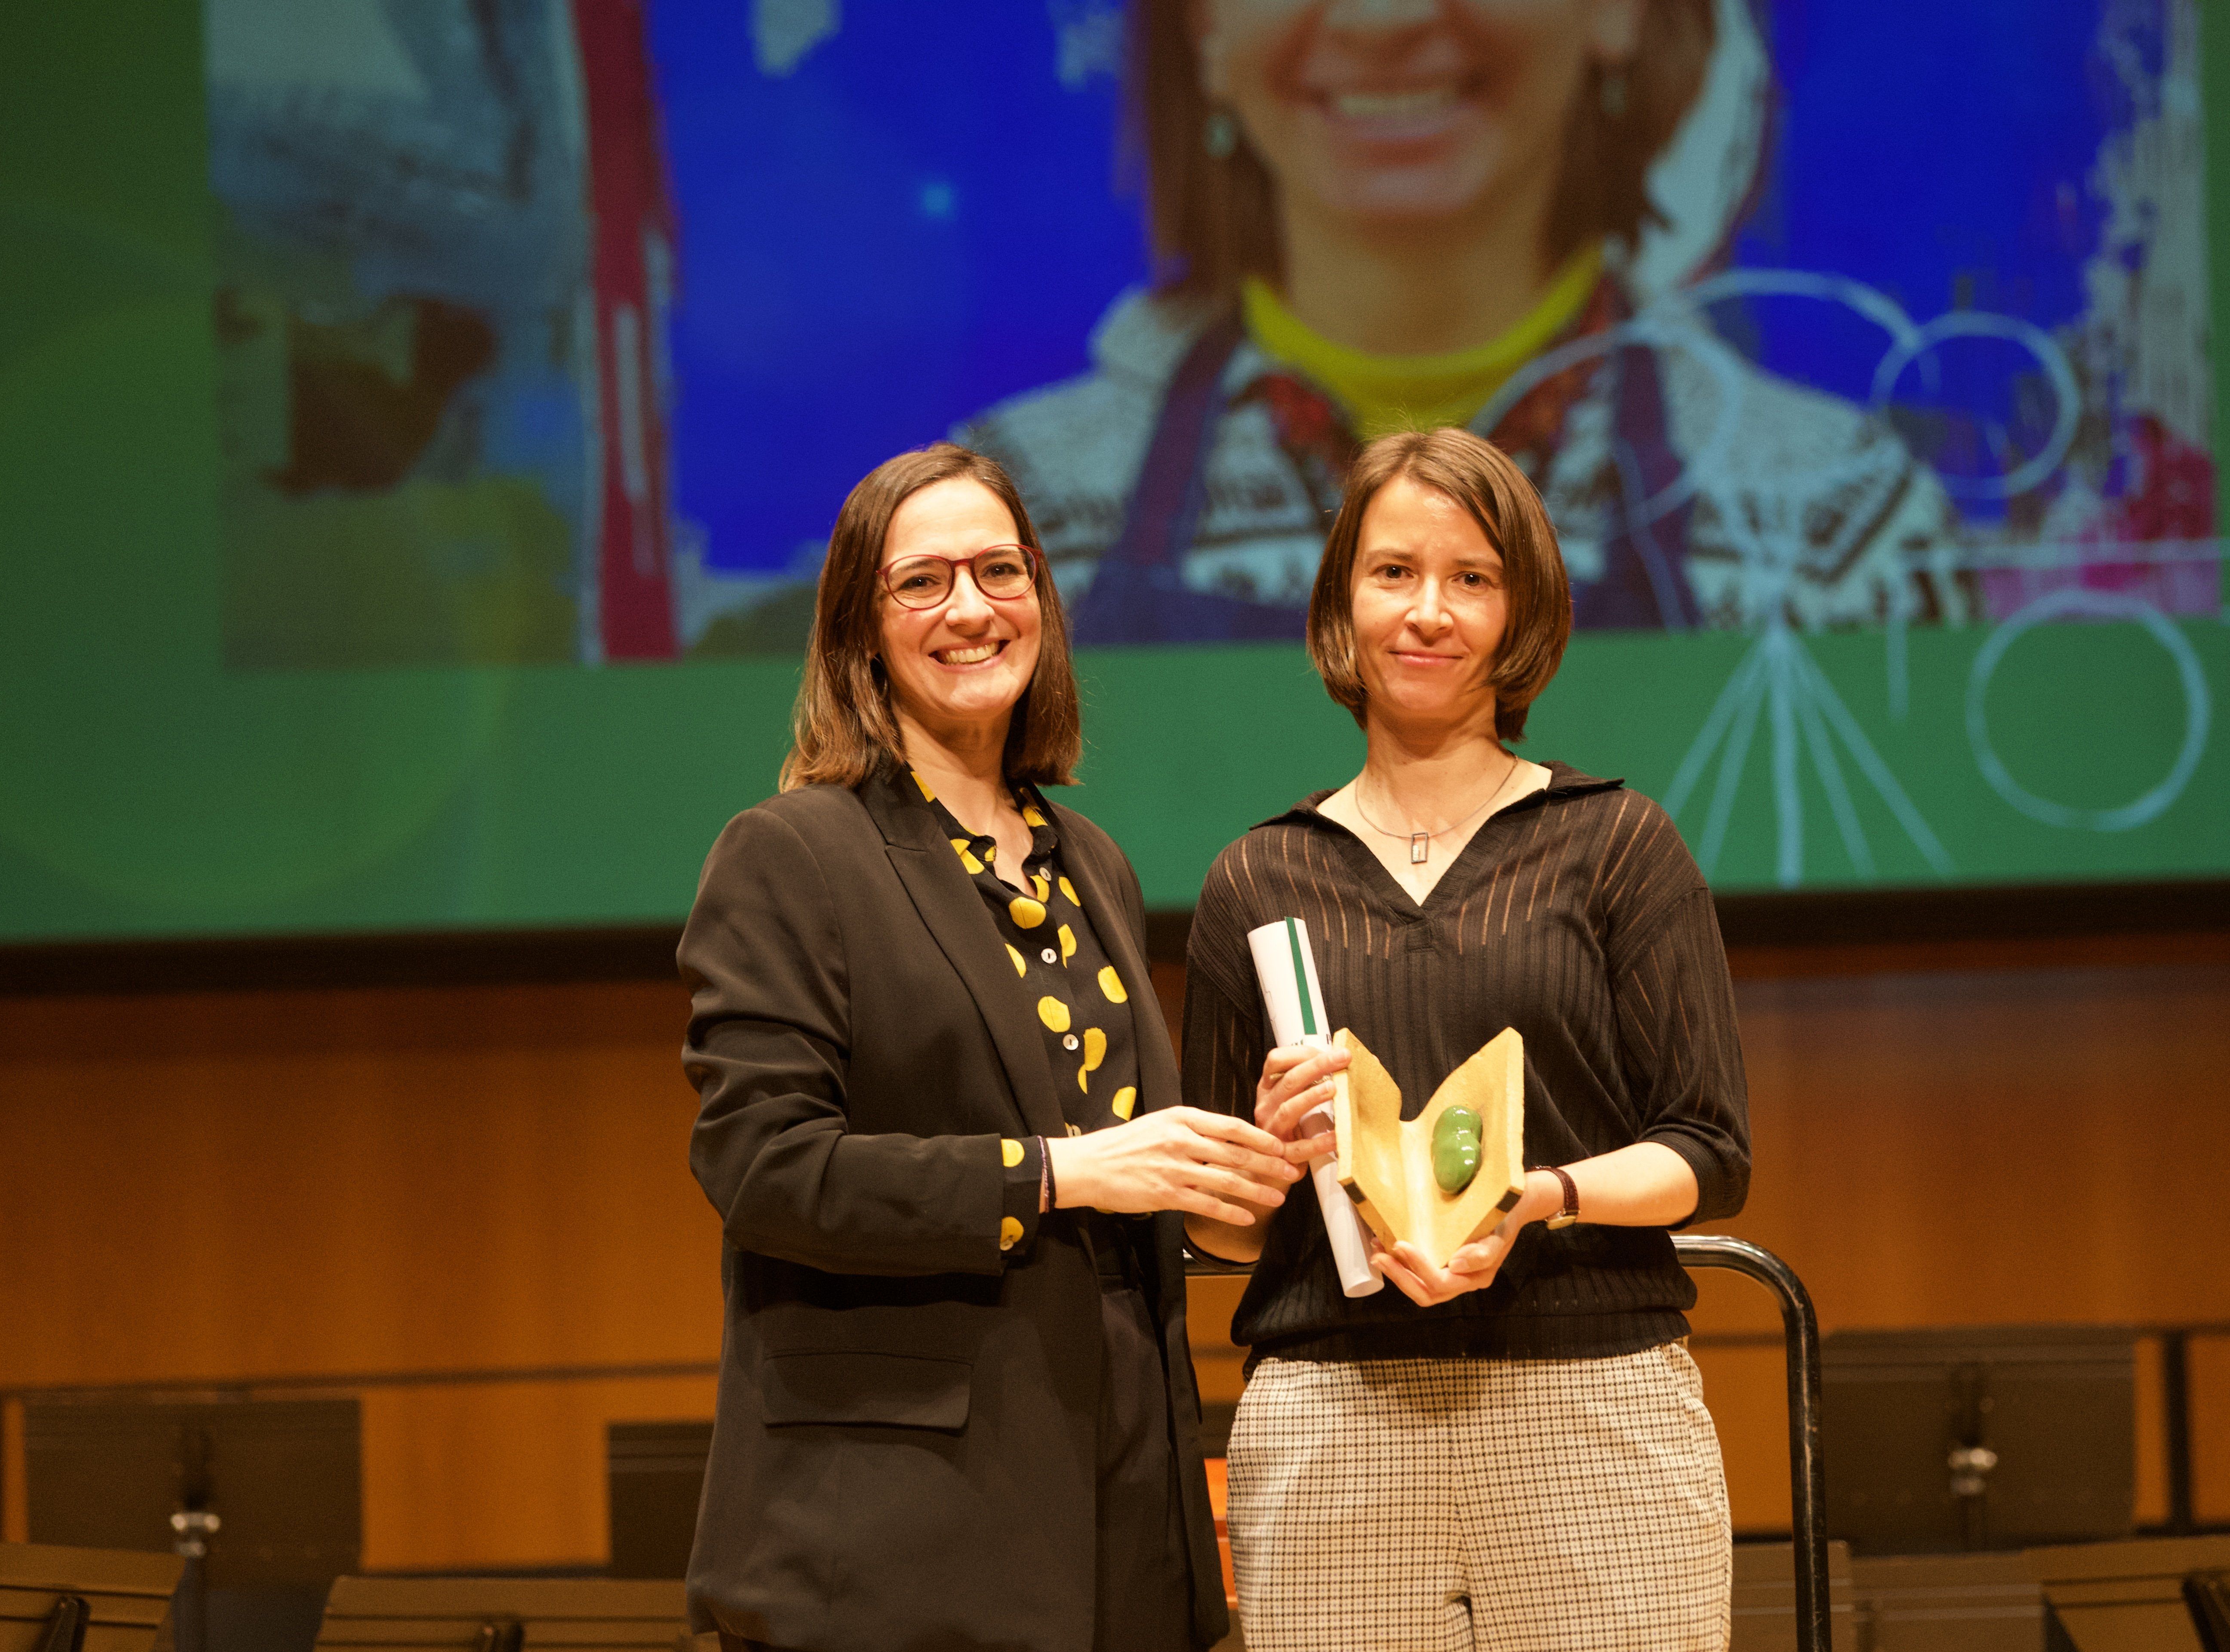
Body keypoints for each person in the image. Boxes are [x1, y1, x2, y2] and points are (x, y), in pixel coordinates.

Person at [678, 442, 1297, 1652]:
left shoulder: (1088, 860)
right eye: (922, 581)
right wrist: (1054, 1172)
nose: (970, 607)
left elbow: (1131, 1191)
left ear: (1041, 601)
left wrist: (1244, 1164)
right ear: (861, 631)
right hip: (896, 1546)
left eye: (999, 570)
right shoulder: (790, 853)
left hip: (1123, 1514)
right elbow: (762, 1170)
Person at [1181, 427, 1752, 1650]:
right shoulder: (1256, 879)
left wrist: (1538, 1195)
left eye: (1471, 578)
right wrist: (1269, 1154)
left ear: (1519, 613)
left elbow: (1707, 1150)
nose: (1427, 611)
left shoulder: (1616, 844)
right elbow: (1220, 1229)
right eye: (1392, 572)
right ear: (1342, 602)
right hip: (1332, 1421)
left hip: (1592, 1408)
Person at [957, 0, 1971, 642]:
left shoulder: (1843, 531)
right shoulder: (1006, 527)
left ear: (1618, 13)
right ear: (1203, 32)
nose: (1382, 18)